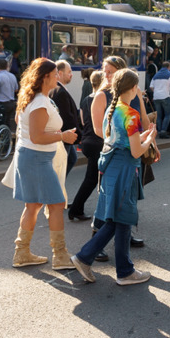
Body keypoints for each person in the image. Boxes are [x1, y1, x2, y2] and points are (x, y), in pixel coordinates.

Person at [71, 69, 157, 286]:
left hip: (111, 169)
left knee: (119, 219)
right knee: (120, 218)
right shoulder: (131, 113)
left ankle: (122, 269)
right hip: (125, 171)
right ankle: (89, 258)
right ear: (133, 88)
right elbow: (137, 151)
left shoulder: (113, 108)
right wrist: (150, 138)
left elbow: (121, 139)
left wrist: (141, 137)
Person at [10, 58, 78, 270]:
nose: (58, 76)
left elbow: (27, 131)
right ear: (45, 77)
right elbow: (37, 136)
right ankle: (60, 256)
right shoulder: (39, 102)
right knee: (56, 205)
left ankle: (21, 253)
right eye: (55, 74)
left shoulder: (34, 99)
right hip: (36, 158)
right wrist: (62, 136)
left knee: (33, 205)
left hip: (31, 157)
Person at [91, 55, 151, 254]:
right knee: (112, 202)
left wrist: (140, 98)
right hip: (115, 154)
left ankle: (124, 237)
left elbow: (144, 122)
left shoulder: (130, 98)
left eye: (110, 72)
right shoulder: (103, 97)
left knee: (123, 201)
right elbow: (100, 130)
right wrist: (124, 142)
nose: (106, 75)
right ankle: (94, 247)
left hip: (127, 150)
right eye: (104, 71)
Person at [67, 70, 104, 222]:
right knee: (91, 179)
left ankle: (78, 208)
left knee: (92, 178)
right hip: (97, 142)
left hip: (87, 141)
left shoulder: (85, 100)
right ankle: (76, 209)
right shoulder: (103, 99)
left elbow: (83, 121)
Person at [49, 60, 80, 175]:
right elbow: (67, 117)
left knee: (72, 158)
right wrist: (78, 135)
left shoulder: (58, 89)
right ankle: (57, 187)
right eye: (69, 72)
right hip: (65, 136)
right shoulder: (60, 91)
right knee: (61, 166)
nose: (71, 74)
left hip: (64, 136)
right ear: (60, 73)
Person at [150, 61, 170, 139]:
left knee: (159, 115)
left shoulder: (156, 75)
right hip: (165, 97)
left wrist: (156, 92)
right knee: (167, 114)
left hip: (156, 97)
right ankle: (163, 131)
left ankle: (158, 131)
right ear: (168, 67)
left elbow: (151, 87)